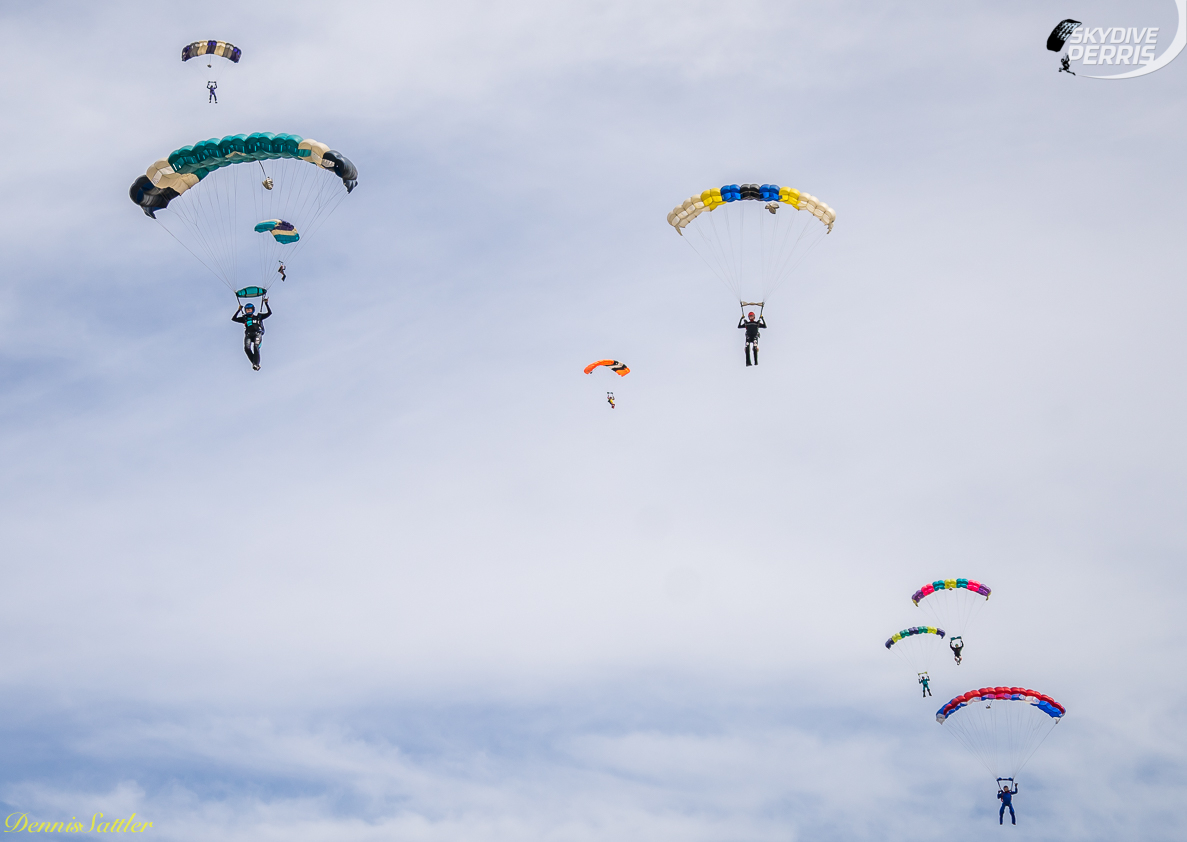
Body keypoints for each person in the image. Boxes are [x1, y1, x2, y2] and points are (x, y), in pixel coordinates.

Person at [231, 298, 271, 370]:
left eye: (249, 309)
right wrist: (238, 310)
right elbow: (234, 318)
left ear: (253, 310)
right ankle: (255, 363)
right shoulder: (245, 318)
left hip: (257, 334)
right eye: (247, 310)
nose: (248, 311)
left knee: (256, 347)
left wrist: (266, 303)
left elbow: (269, 313)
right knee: (246, 348)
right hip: (249, 334)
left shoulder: (258, 317)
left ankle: (256, 364)